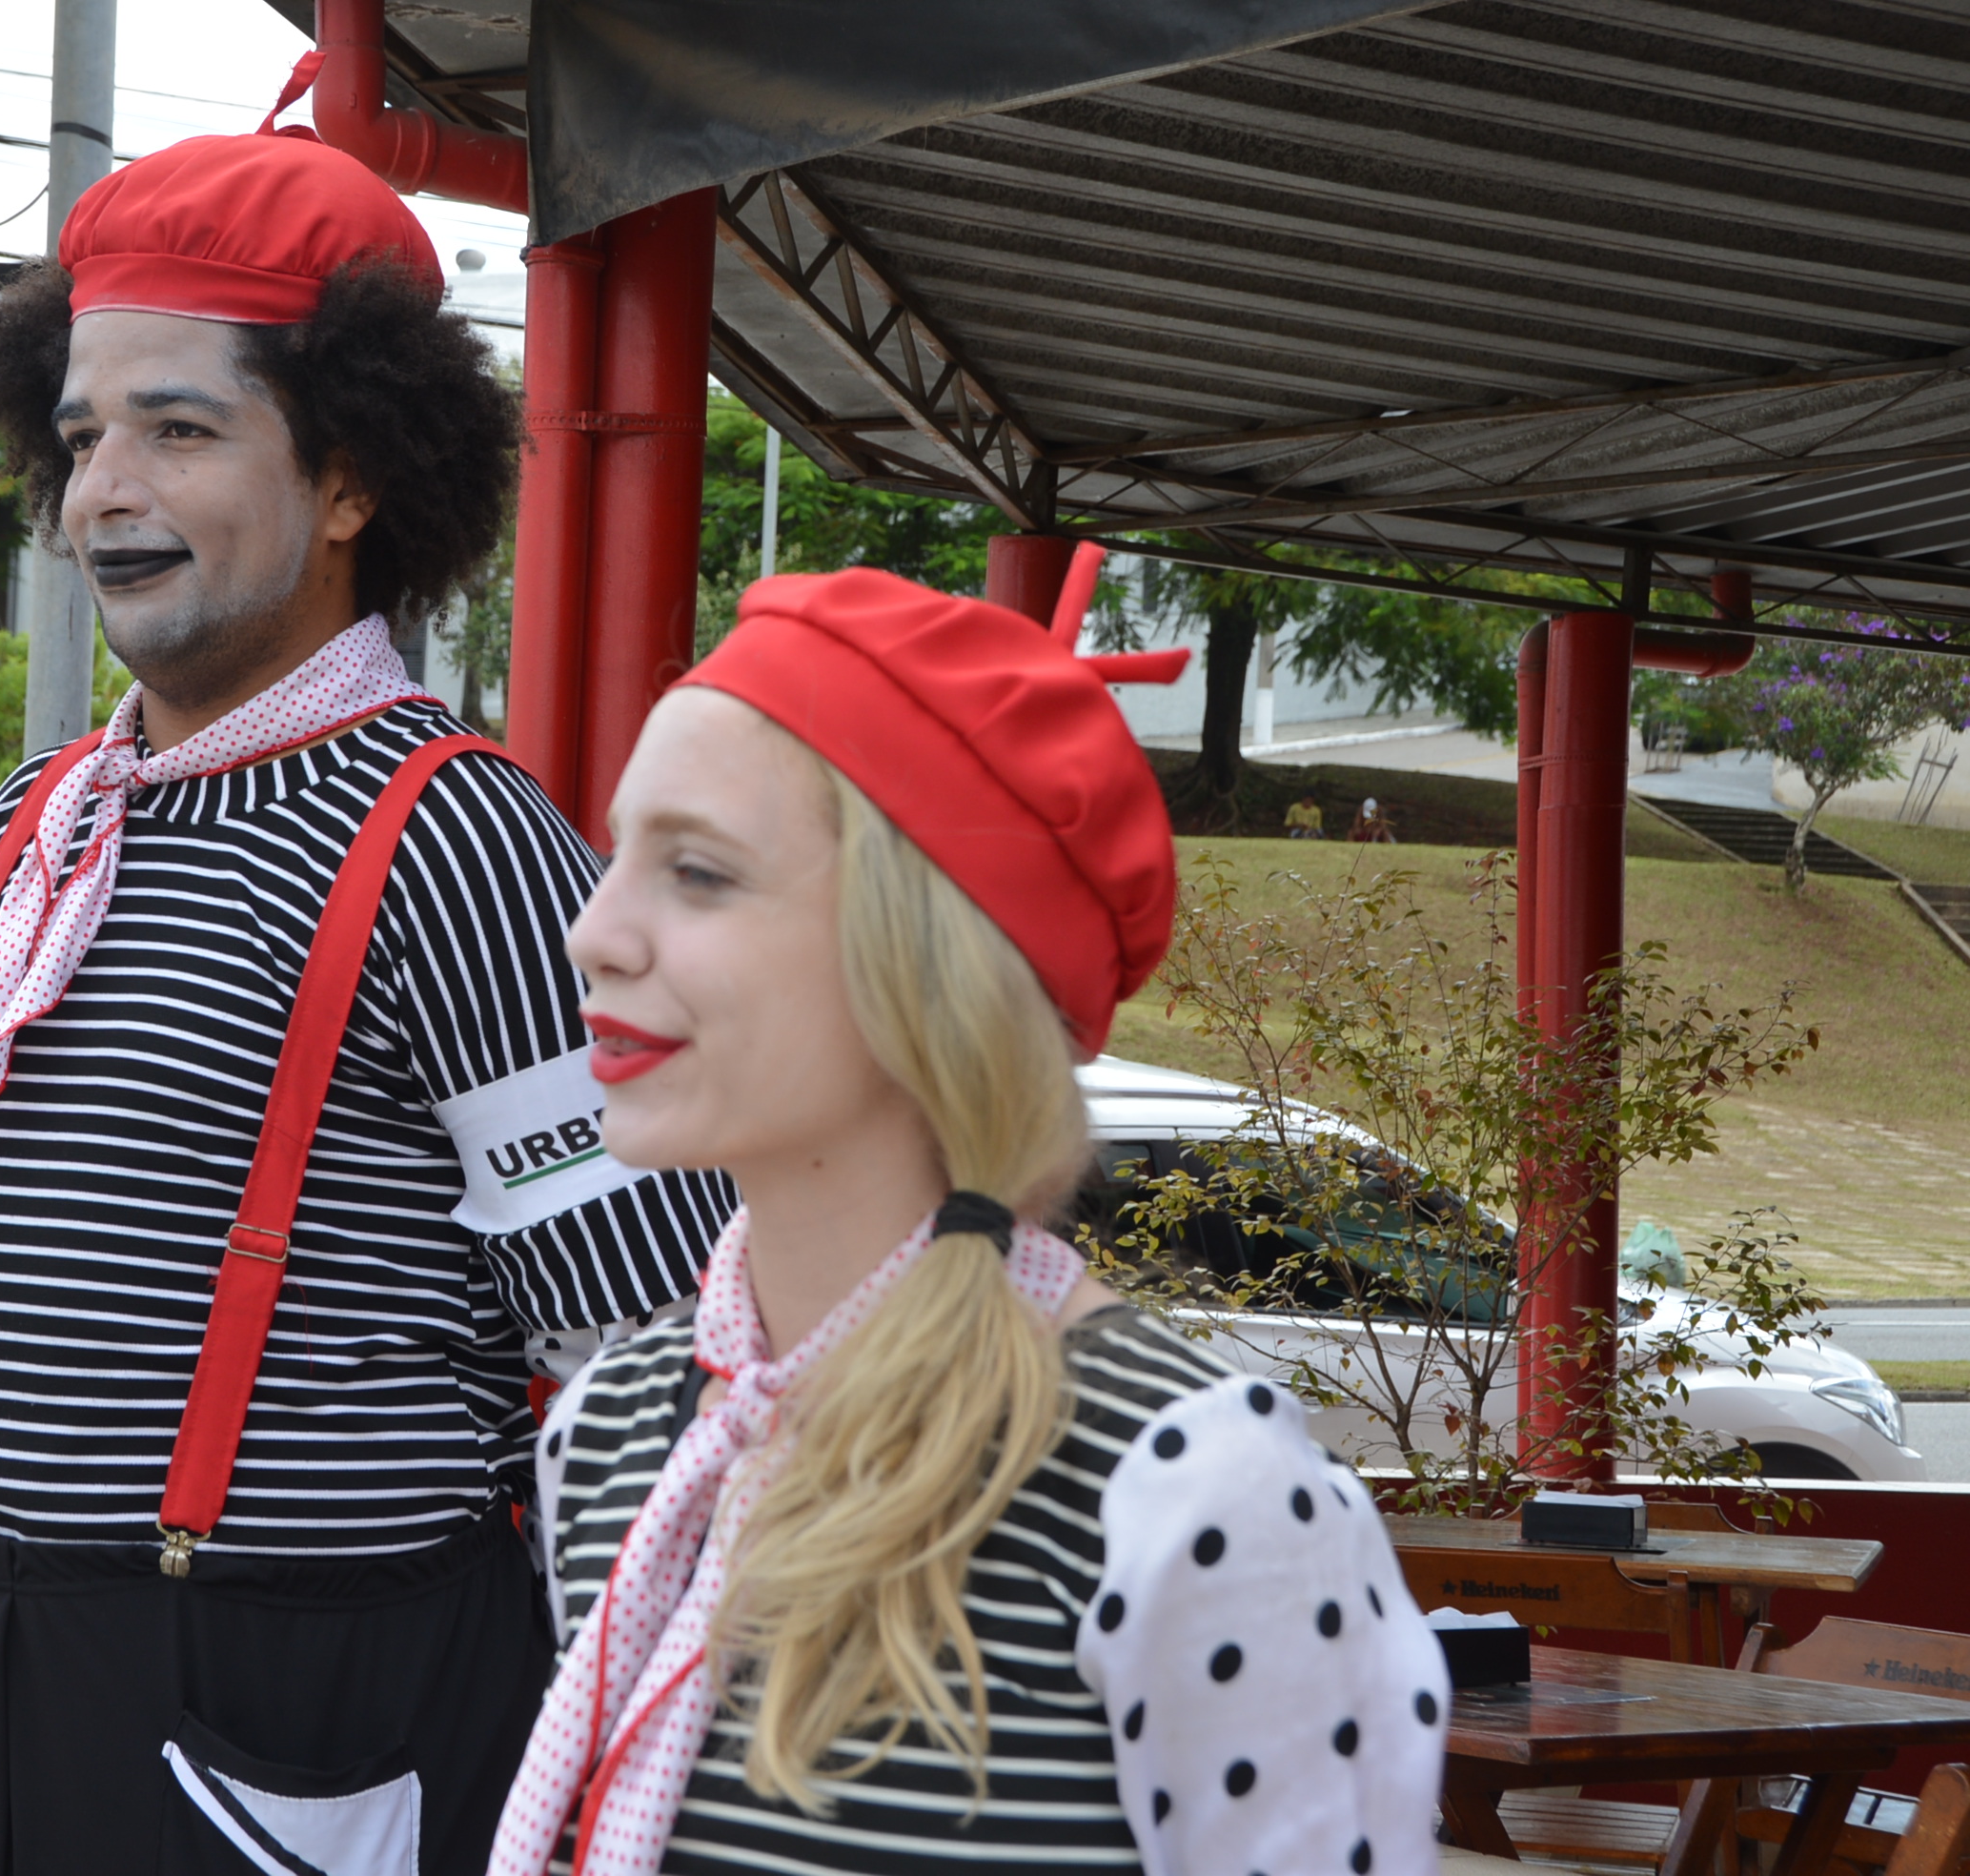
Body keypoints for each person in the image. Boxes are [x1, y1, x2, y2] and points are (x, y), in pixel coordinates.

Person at [0, 130, 733, 1875]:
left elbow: (645, 1347)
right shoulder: (37, 827)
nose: (101, 491)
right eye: (80, 434)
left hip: (306, 1706)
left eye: (178, 430)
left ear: (352, 478)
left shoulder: (458, 839)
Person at [495, 569, 1450, 1876]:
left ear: (927, 958)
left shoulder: (1189, 1492)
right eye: (617, 859)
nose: (593, 934)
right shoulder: (616, 1433)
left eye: (698, 873)